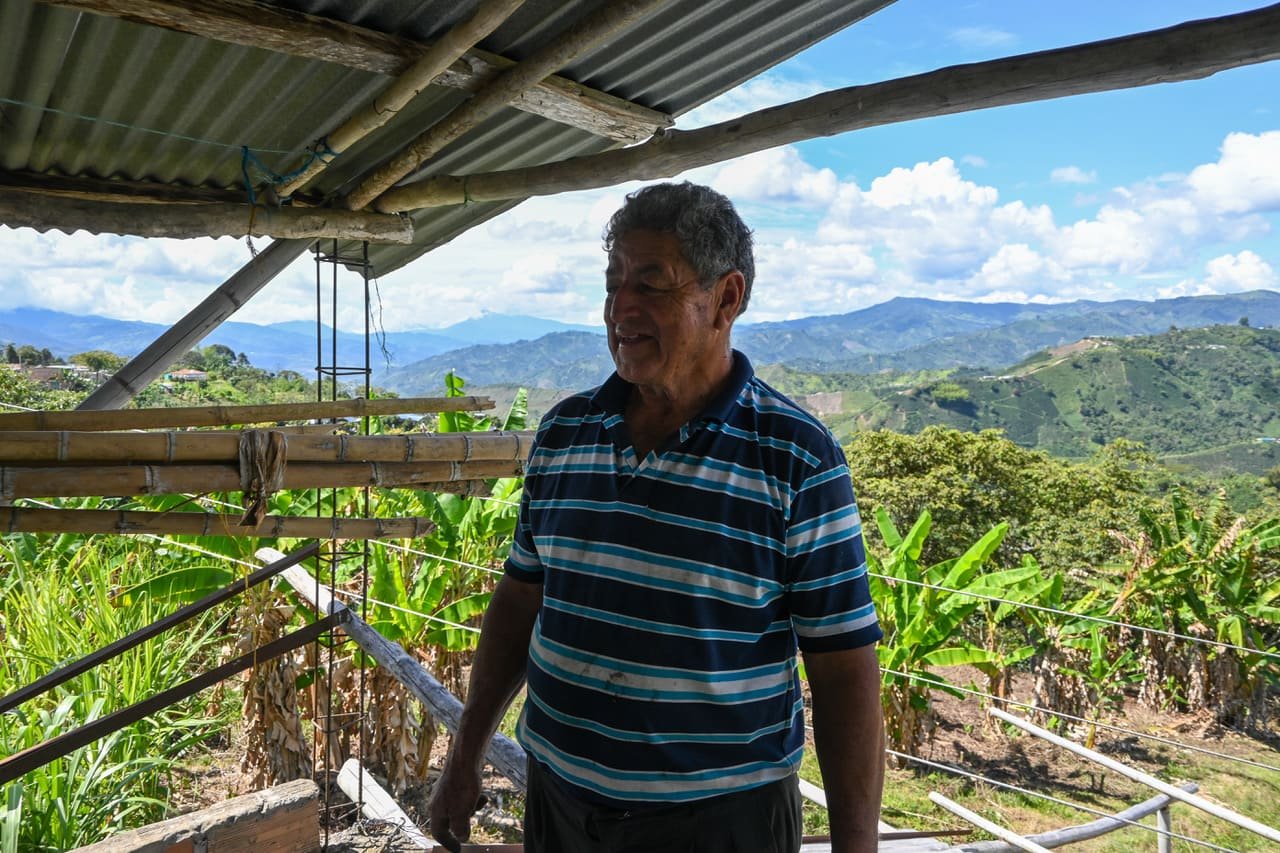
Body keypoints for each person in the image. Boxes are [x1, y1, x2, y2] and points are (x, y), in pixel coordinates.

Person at [428, 182, 884, 853]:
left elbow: (844, 671)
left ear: (726, 299)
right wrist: (466, 751)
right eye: (613, 283)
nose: (621, 307)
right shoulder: (564, 434)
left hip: (720, 826)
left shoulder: (795, 457)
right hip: (559, 806)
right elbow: (521, 600)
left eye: (651, 282)